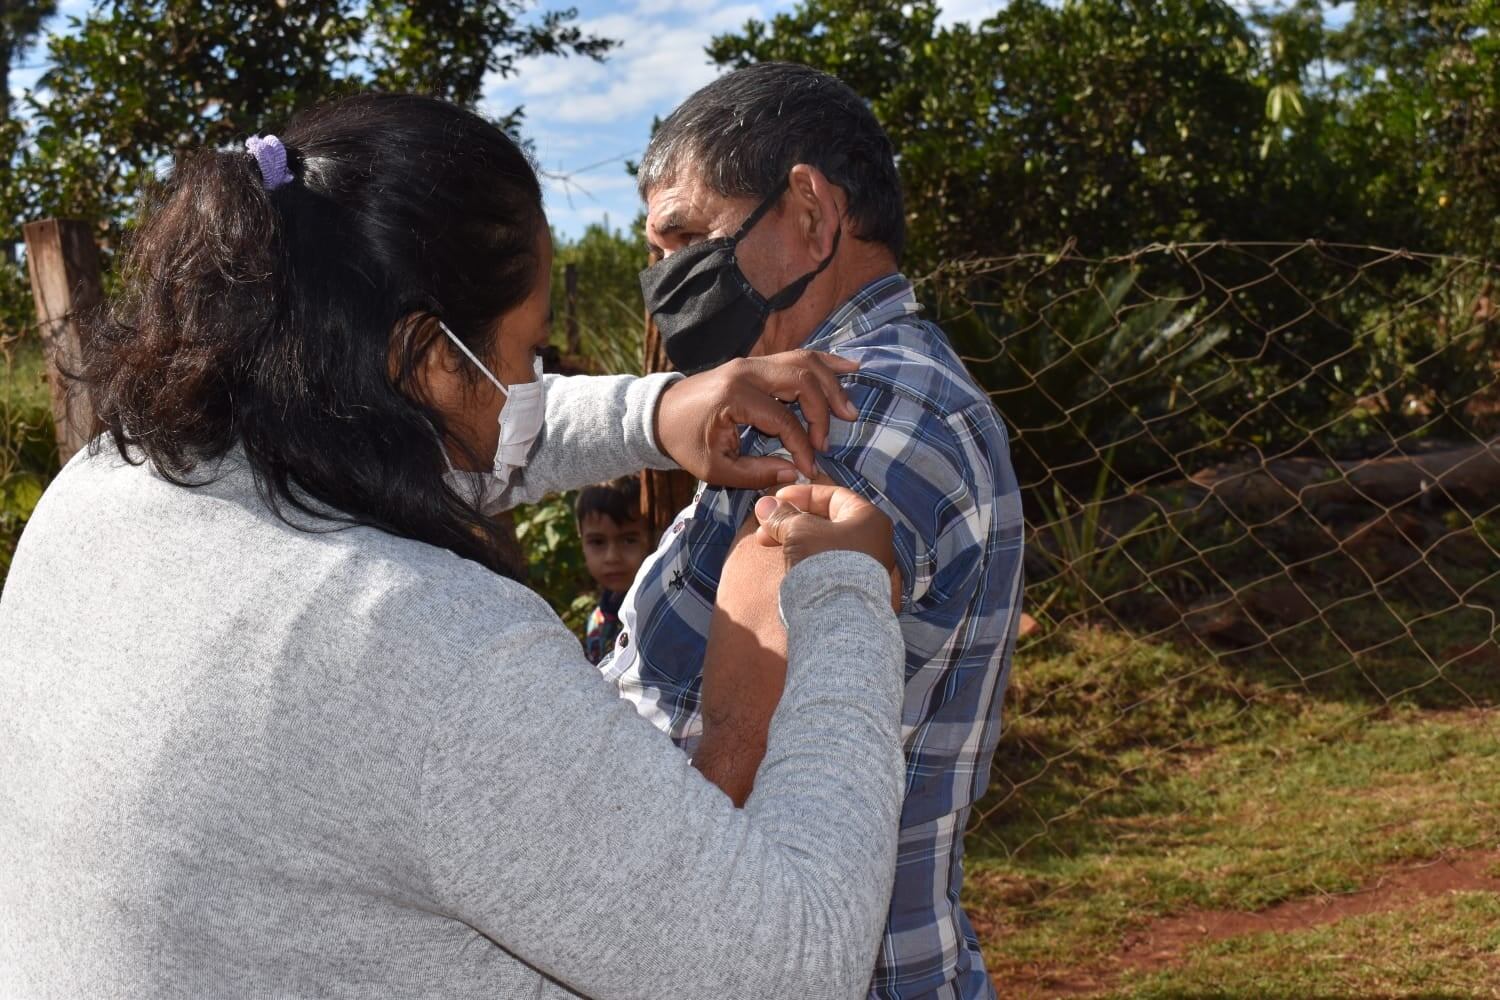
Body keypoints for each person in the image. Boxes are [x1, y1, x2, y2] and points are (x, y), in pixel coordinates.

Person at [0, 93, 910, 1000]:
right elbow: (800, 964)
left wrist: (655, 410)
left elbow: (435, 438)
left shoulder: (101, 490)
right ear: (428, 357)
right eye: (526, 354)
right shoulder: (430, 648)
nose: (534, 386)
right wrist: (841, 597)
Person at [602, 64, 1026, 1000]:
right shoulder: (800, 390)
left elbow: (736, 766)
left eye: (687, 237)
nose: (664, 281)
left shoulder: (859, 408)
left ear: (809, 212)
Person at [575, 476, 651, 664]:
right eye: (597, 542)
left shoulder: (657, 613)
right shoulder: (597, 621)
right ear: (582, 543)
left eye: (628, 540)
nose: (612, 557)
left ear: (652, 538)